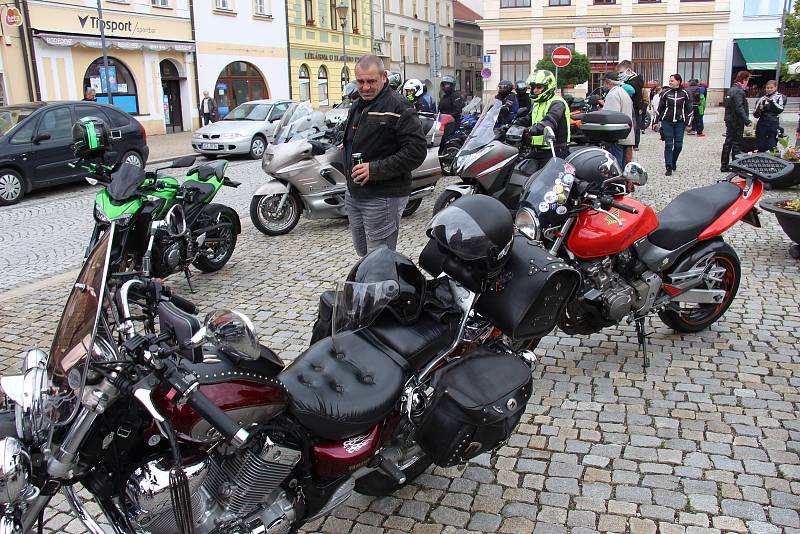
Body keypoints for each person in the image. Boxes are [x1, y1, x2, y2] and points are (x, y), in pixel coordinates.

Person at [343, 55, 427, 256]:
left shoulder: (399, 106)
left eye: (371, 81)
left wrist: (374, 169)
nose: (365, 87)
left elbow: (416, 151)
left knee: (380, 258)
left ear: (384, 77)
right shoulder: (358, 104)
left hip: (383, 195)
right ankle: (369, 286)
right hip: (356, 192)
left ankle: (383, 287)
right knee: (364, 253)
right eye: (360, 81)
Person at [516, 69, 570, 170]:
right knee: (520, 172)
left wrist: (528, 130)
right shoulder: (538, 103)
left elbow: (549, 122)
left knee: (545, 184)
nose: (535, 90)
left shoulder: (557, 103)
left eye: (539, 87)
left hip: (555, 151)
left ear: (548, 87)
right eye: (533, 87)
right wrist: (511, 125)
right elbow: (529, 118)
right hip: (538, 150)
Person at [656, 73, 693, 176]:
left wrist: (689, 123)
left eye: (672, 80)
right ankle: (668, 166)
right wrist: (655, 121)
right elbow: (660, 108)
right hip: (667, 121)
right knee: (668, 144)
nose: (670, 82)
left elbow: (690, 109)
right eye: (670, 80)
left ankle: (673, 160)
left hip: (680, 122)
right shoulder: (665, 92)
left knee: (678, 145)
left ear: (678, 81)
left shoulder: (686, 93)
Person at [600, 72, 635, 168]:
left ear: (608, 83)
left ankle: (617, 183)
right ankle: (622, 183)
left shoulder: (613, 94)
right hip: (625, 135)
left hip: (616, 138)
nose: (604, 85)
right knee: (623, 167)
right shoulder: (623, 92)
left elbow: (610, 117)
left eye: (604, 83)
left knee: (616, 167)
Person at [721, 70, 752, 172]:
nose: (748, 82)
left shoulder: (731, 89)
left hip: (730, 119)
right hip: (736, 120)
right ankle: (735, 165)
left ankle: (724, 165)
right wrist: (747, 120)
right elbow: (739, 107)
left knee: (728, 142)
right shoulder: (738, 91)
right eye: (747, 80)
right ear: (744, 80)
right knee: (736, 143)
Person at [617, 60, 644, 150]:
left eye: (621, 72)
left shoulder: (634, 82)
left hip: (634, 107)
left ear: (628, 71)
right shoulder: (631, 81)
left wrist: (640, 107)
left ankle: (634, 144)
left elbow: (636, 96)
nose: (620, 75)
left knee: (635, 125)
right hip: (632, 106)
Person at [754, 79, 785, 152]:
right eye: (768, 88)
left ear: (775, 88)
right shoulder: (761, 99)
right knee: (760, 144)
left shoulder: (780, 97)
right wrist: (759, 109)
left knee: (772, 144)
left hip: (773, 123)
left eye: (771, 88)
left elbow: (780, 109)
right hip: (762, 123)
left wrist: (771, 102)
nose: (769, 89)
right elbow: (755, 115)